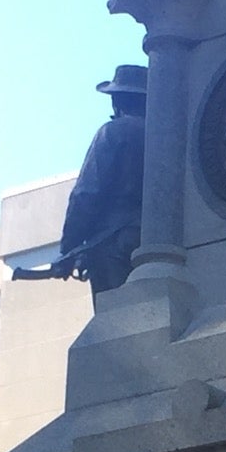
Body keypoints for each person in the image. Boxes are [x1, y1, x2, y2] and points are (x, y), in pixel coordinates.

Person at [57, 63, 148, 292]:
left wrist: (69, 246)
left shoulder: (112, 132)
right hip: (153, 241)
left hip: (112, 243)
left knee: (114, 320)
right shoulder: (167, 136)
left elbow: (87, 193)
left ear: (117, 101)